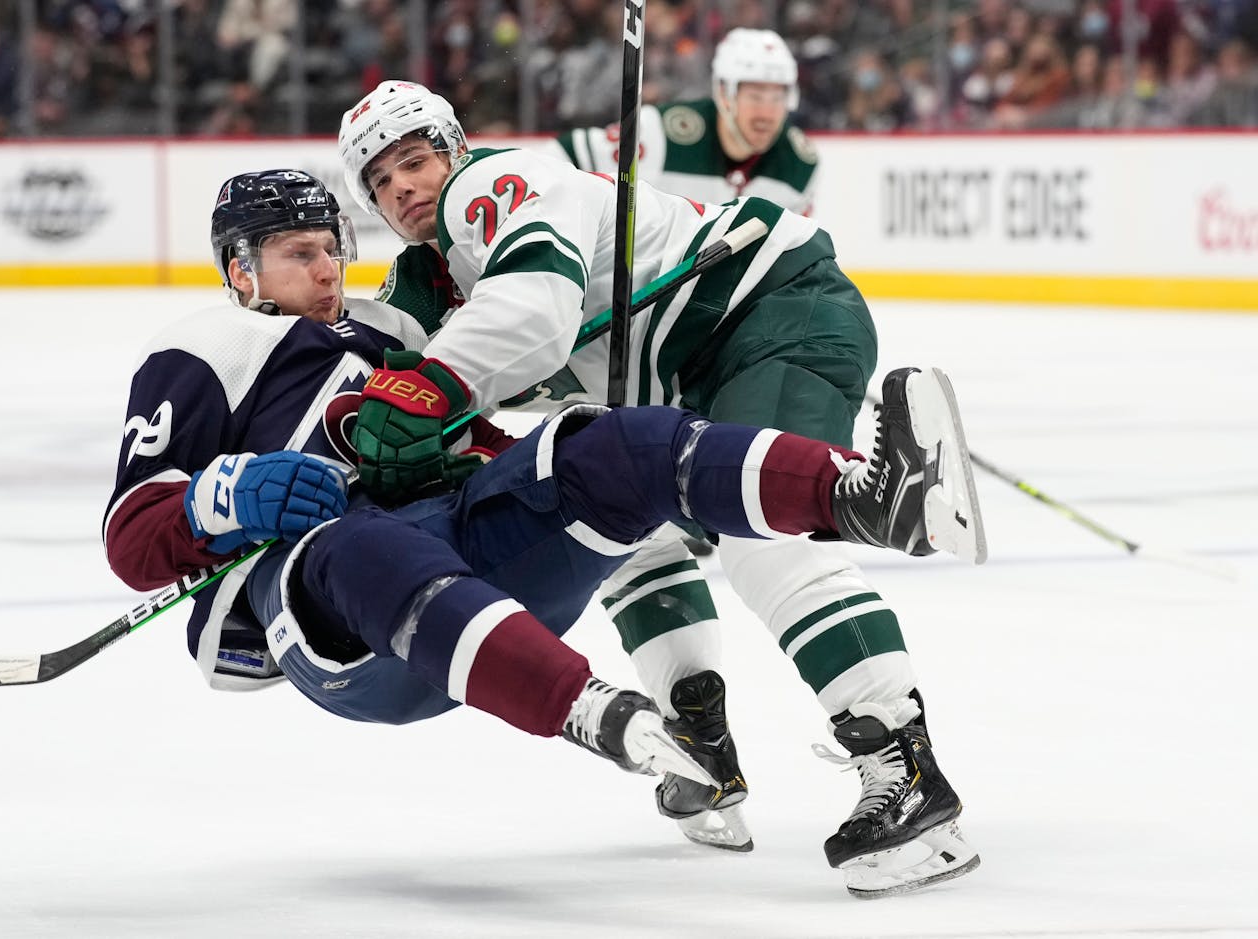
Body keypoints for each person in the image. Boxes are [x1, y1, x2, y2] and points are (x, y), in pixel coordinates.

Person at [102, 169, 985, 891]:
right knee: (363, 543)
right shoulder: (204, 346)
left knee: (610, 445)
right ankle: (594, 712)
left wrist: (465, 446)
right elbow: (131, 535)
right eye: (300, 254)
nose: (328, 270)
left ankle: (870, 496)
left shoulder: (382, 343)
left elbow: (484, 438)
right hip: (343, 622)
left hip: (457, 543)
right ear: (241, 270)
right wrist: (226, 495)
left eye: (335, 248)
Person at [338, 81, 985, 897]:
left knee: (758, 539)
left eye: (414, 159)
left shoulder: (486, 189)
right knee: (620, 530)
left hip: (766, 314)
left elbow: (533, 309)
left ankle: (905, 763)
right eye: (380, 181)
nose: (400, 186)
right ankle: (701, 742)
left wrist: (432, 388)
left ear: (454, 149)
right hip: (678, 384)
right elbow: (363, 371)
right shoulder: (425, 280)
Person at [556, 28, 819, 215]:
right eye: (755, 96)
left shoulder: (799, 163)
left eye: (777, 97)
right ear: (724, 95)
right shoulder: (660, 133)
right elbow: (563, 155)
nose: (768, 113)